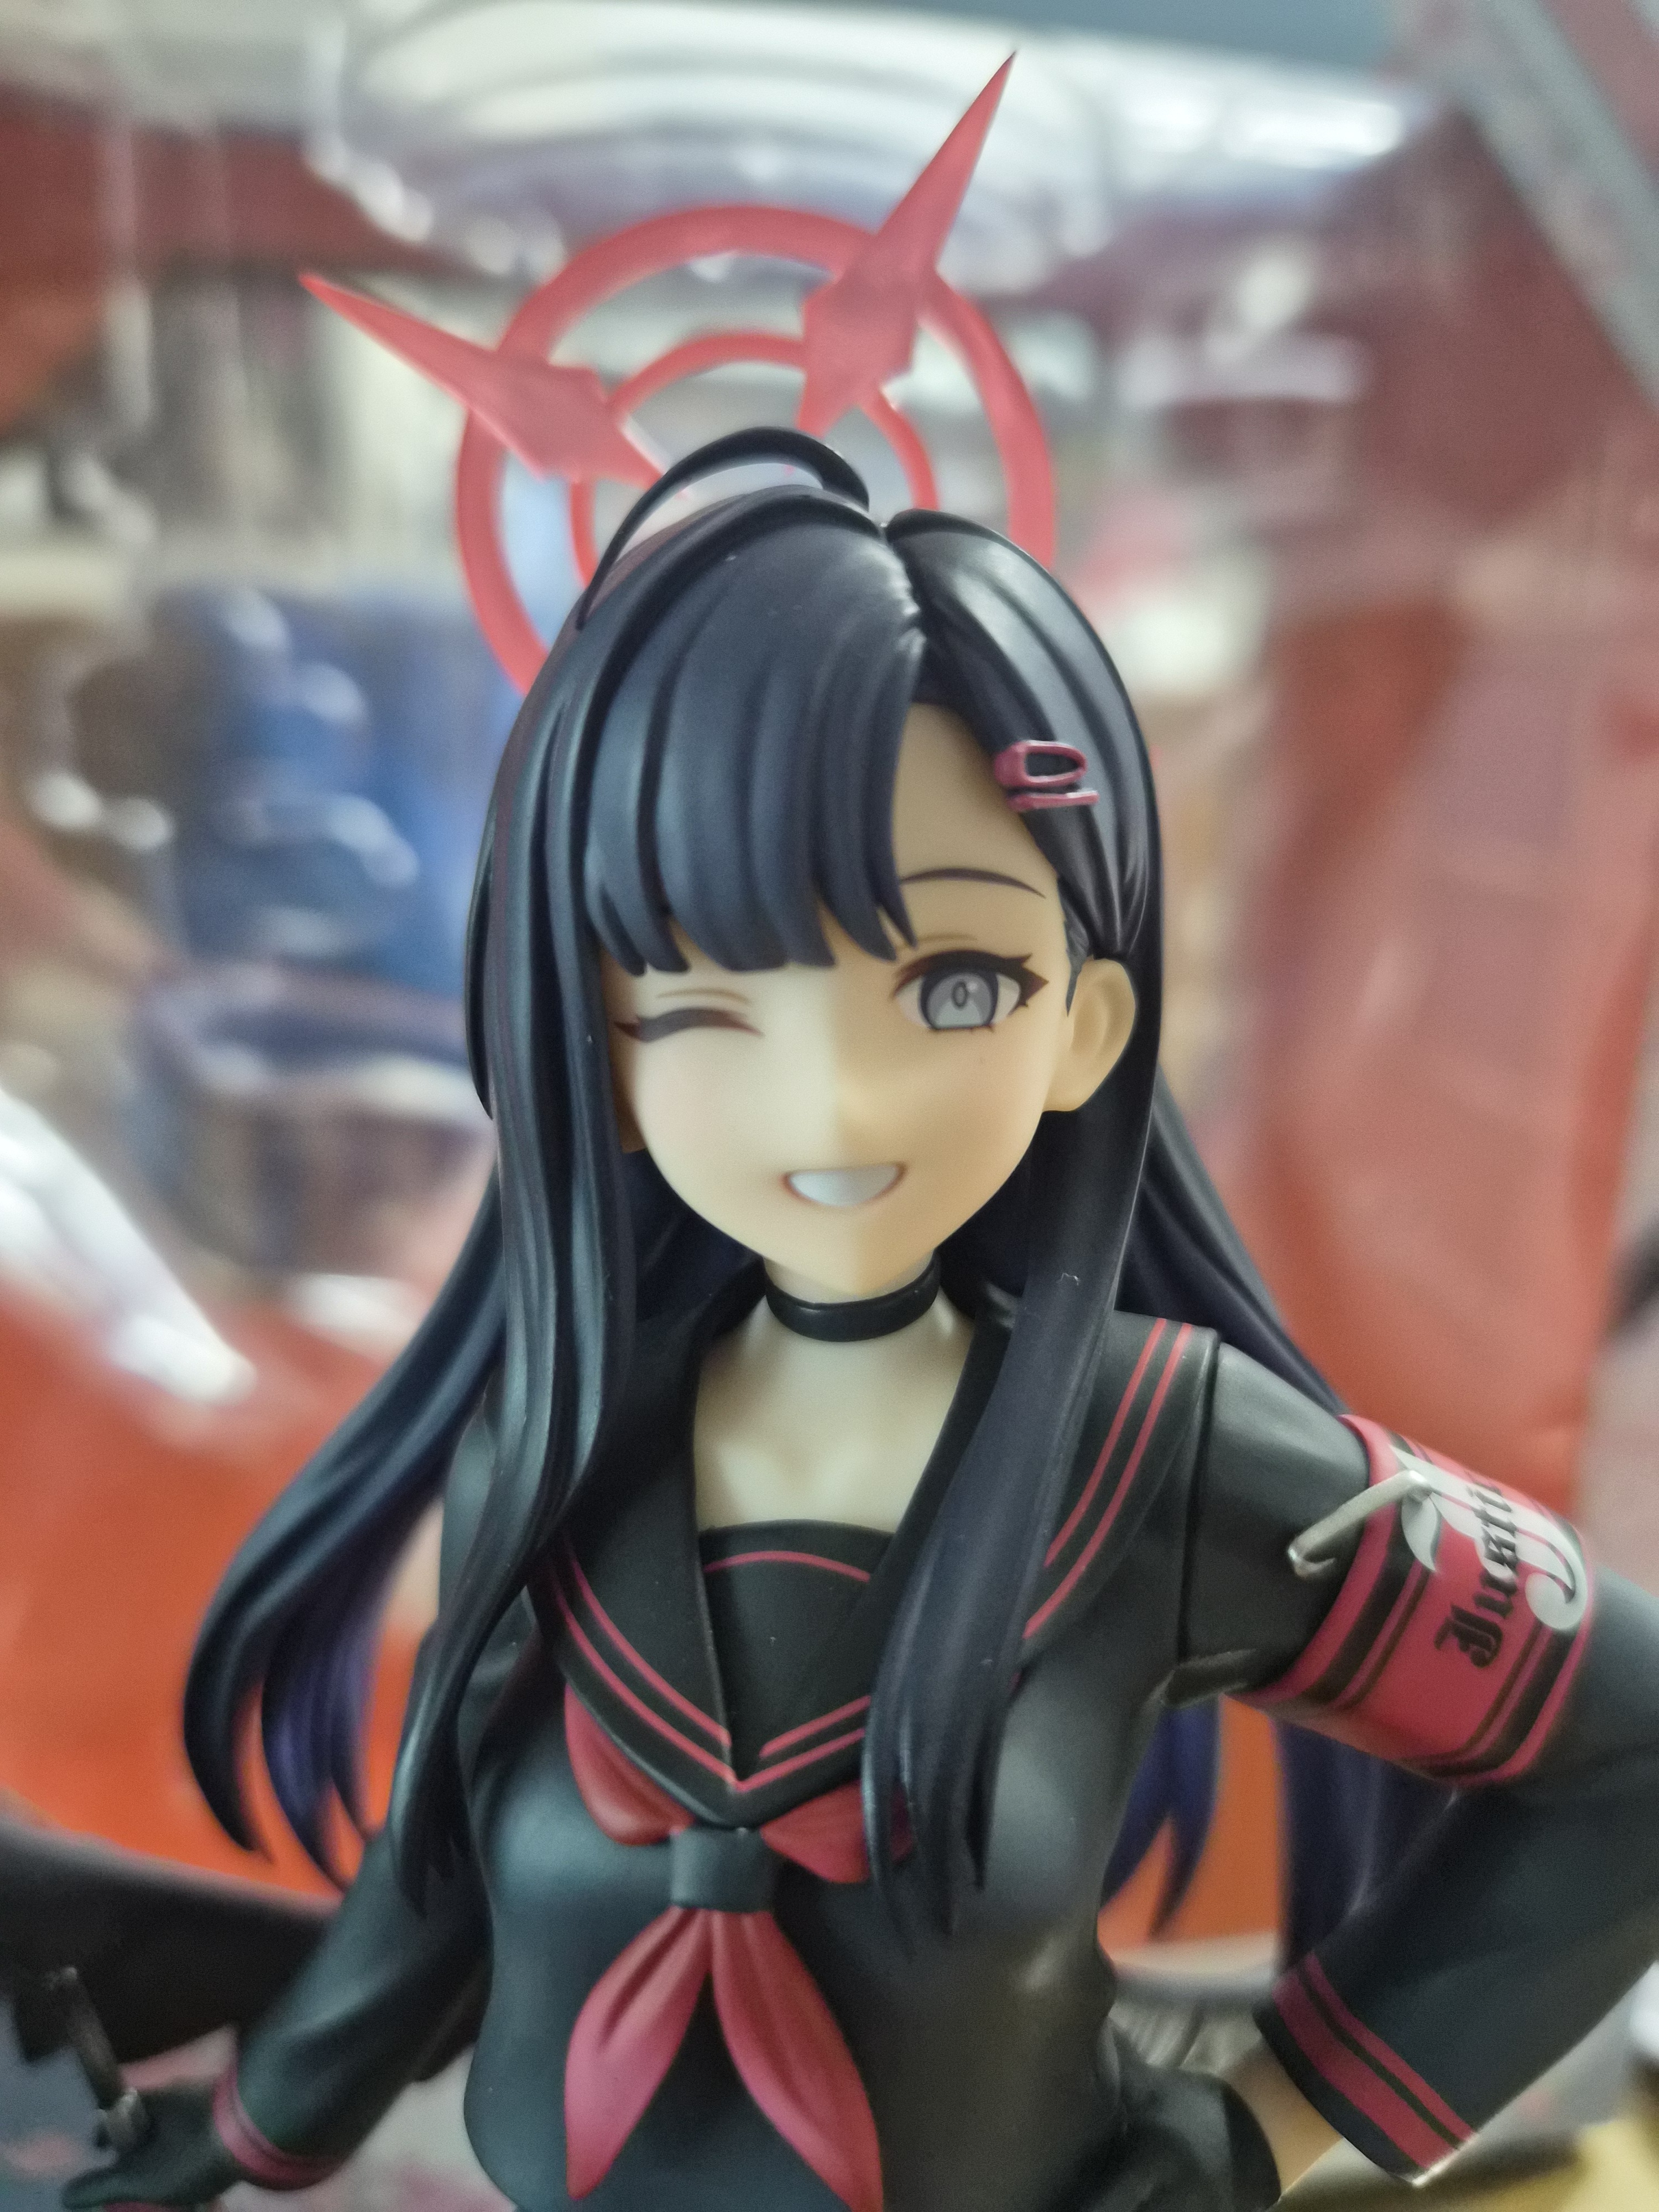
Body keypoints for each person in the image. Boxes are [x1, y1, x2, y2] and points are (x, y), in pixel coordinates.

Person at [65, 434, 1659, 2212]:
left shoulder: (1161, 1458)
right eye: (699, 996)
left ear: (1085, 1022)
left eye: (954, 987)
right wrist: (246, 2132)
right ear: (588, 1037)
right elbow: (432, 1878)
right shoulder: (568, 1434)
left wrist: (1255, 2135)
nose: (835, 1103)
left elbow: (1629, 1748)